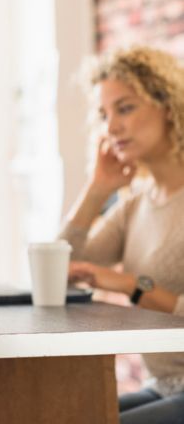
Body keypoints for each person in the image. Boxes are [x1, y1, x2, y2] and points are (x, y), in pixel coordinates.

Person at [59, 46, 184, 424]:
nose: (111, 127)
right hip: (164, 383)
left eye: (125, 108)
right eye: (103, 115)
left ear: (168, 105)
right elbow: (58, 269)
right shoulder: (135, 205)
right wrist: (96, 191)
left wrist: (131, 284)